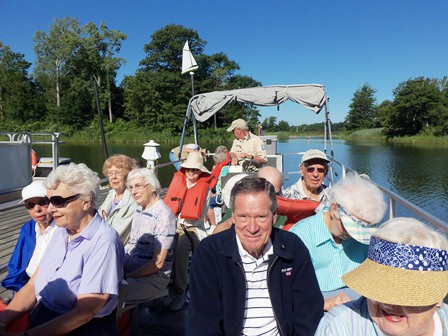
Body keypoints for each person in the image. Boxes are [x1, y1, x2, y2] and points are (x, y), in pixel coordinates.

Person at [186, 176, 324, 335]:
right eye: (243, 216)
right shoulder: (209, 254)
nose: (252, 228)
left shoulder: (293, 248)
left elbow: (308, 314)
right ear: (234, 217)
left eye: (261, 217)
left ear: (274, 217)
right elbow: (203, 324)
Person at [0, 163, 124, 334]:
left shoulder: (103, 241)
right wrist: (2, 321)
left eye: (58, 201)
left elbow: (85, 312)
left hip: (81, 328)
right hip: (43, 317)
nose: (50, 209)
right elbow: (32, 285)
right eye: (49, 200)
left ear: (86, 201)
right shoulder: (61, 231)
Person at [315, 217, 448, 335]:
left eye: (407, 293)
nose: (388, 303)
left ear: (439, 298)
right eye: (379, 288)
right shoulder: (339, 327)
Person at [289, 173, 387, 311]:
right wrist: (323, 303)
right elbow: (288, 292)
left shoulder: (367, 238)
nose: (353, 236)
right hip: (318, 306)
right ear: (334, 209)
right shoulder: (300, 236)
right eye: (350, 228)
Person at [120, 168, 176, 313]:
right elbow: (133, 244)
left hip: (153, 276)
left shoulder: (163, 215)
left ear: (152, 186)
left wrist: (128, 276)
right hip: (132, 266)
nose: (133, 191)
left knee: (110, 295)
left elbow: (158, 263)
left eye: (138, 186)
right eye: (130, 187)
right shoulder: (140, 209)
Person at [164, 151, 212, 311]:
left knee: (181, 252)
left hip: (192, 227)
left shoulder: (204, 188)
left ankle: (181, 292)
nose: (191, 172)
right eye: (189, 169)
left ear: (201, 171)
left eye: (195, 169)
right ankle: (165, 288)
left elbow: (201, 214)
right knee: (160, 248)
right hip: (173, 224)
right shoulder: (179, 181)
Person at [1, 181, 56, 294]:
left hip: (52, 290)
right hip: (26, 285)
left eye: (42, 202)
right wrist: (18, 290)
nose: (37, 209)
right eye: (30, 205)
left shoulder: (63, 230)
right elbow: (16, 263)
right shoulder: (27, 229)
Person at [98, 154, 138, 244]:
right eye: (110, 173)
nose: (113, 177)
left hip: (120, 249)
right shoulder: (111, 195)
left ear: (128, 175)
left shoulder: (133, 201)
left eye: (118, 173)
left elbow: (116, 233)